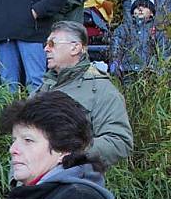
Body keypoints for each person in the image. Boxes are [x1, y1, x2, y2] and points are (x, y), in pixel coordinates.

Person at [37, 21, 133, 169]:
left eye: (52, 43)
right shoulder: (43, 89)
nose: (46, 49)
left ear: (75, 47)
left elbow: (119, 141)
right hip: (35, 186)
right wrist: (18, 182)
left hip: (76, 181)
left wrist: (70, 154)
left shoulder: (101, 89)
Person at [110, 0, 169, 84]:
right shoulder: (124, 29)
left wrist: (162, 70)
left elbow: (164, 51)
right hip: (127, 71)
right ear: (132, 13)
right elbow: (116, 45)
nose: (140, 9)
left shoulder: (157, 31)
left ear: (151, 13)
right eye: (137, 7)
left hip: (150, 72)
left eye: (145, 7)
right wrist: (115, 62)